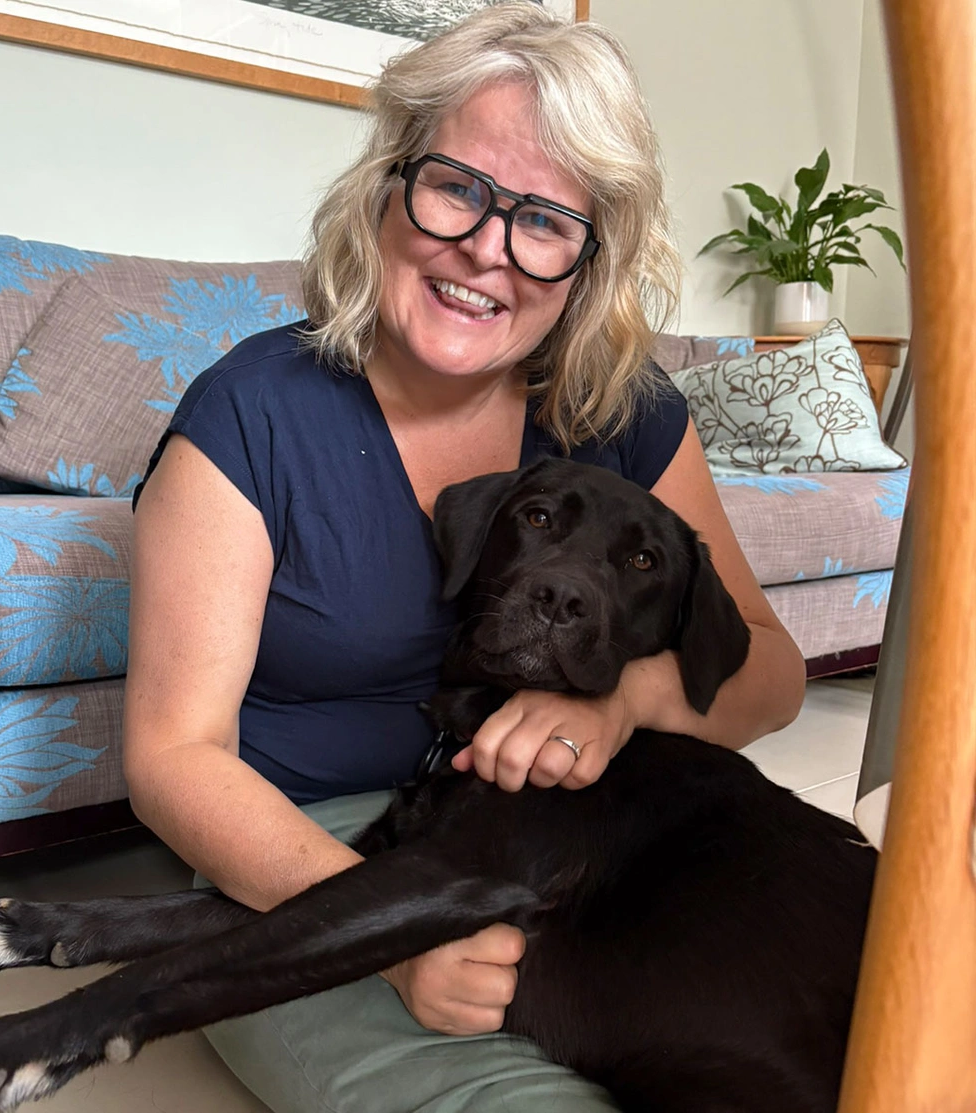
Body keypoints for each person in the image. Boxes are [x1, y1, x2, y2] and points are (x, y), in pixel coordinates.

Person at [124, 3, 806, 1109]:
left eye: (544, 220)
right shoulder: (252, 413)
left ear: (590, 258)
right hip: (314, 851)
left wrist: (621, 705)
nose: (487, 248)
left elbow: (766, 673)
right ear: (389, 186)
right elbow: (172, 757)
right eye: (458, 188)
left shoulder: (621, 416)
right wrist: (385, 936)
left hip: (593, 841)